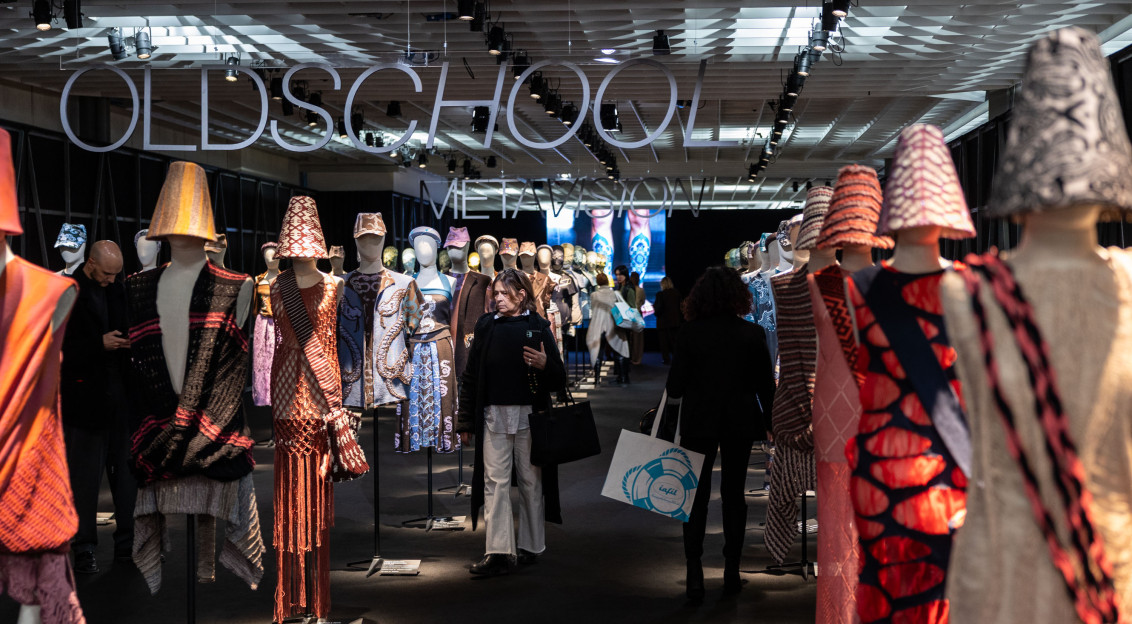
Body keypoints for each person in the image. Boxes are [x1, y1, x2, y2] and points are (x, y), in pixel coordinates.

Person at [666, 266, 776, 600]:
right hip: (739, 420)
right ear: (738, 296)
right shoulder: (752, 334)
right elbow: (765, 387)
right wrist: (771, 424)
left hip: (699, 421)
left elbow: (675, 387)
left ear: (699, 297)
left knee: (695, 497)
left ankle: (694, 571)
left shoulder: (689, 333)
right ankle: (731, 569)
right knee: (734, 494)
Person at [456, 268, 568, 577]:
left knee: (531, 481)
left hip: (530, 418)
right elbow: (471, 376)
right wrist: (465, 421)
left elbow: (559, 379)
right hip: (493, 416)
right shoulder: (486, 326)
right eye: (496, 293)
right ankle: (498, 551)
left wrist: (545, 364)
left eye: (505, 293)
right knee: (495, 483)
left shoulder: (538, 326)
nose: (498, 299)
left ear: (521, 295)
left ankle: (531, 545)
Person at [59, 239, 137, 574]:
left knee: (126, 477)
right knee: (85, 480)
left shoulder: (119, 289)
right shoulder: (67, 291)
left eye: (116, 274)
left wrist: (130, 341)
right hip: (84, 398)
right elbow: (54, 348)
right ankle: (84, 548)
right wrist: (98, 344)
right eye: (106, 273)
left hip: (119, 395)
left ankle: (127, 545)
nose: (111, 279)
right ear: (90, 263)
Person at [585, 272, 631, 383]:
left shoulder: (594, 295)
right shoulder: (615, 294)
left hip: (597, 325)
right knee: (619, 350)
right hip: (612, 324)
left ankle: (596, 378)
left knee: (598, 351)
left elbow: (592, 309)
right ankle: (622, 377)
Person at [612, 265, 636, 382]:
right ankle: (621, 375)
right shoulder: (621, 287)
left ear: (625, 274)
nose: (618, 277)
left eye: (620, 274)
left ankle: (624, 376)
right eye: (616, 274)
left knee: (624, 349)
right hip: (619, 321)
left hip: (625, 322)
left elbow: (632, 306)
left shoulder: (628, 288)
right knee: (619, 348)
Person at [653, 276, 682, 364]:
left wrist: (656, 312)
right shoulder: (676, 293)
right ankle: (676, 359)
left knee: (664, 343)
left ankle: (666, 359)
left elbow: (658, 308)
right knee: (674, 342)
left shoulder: (660, 295)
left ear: (662, 284)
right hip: (675, 322)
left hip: (663, 322)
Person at [629, 271, 646, 365]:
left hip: (629, 314)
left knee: (630, 337)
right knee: (638, 338)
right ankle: (637, 358)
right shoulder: (640, 290)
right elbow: (643, 301)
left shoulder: (628, 290)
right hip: (637, 313)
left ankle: (631, 357)